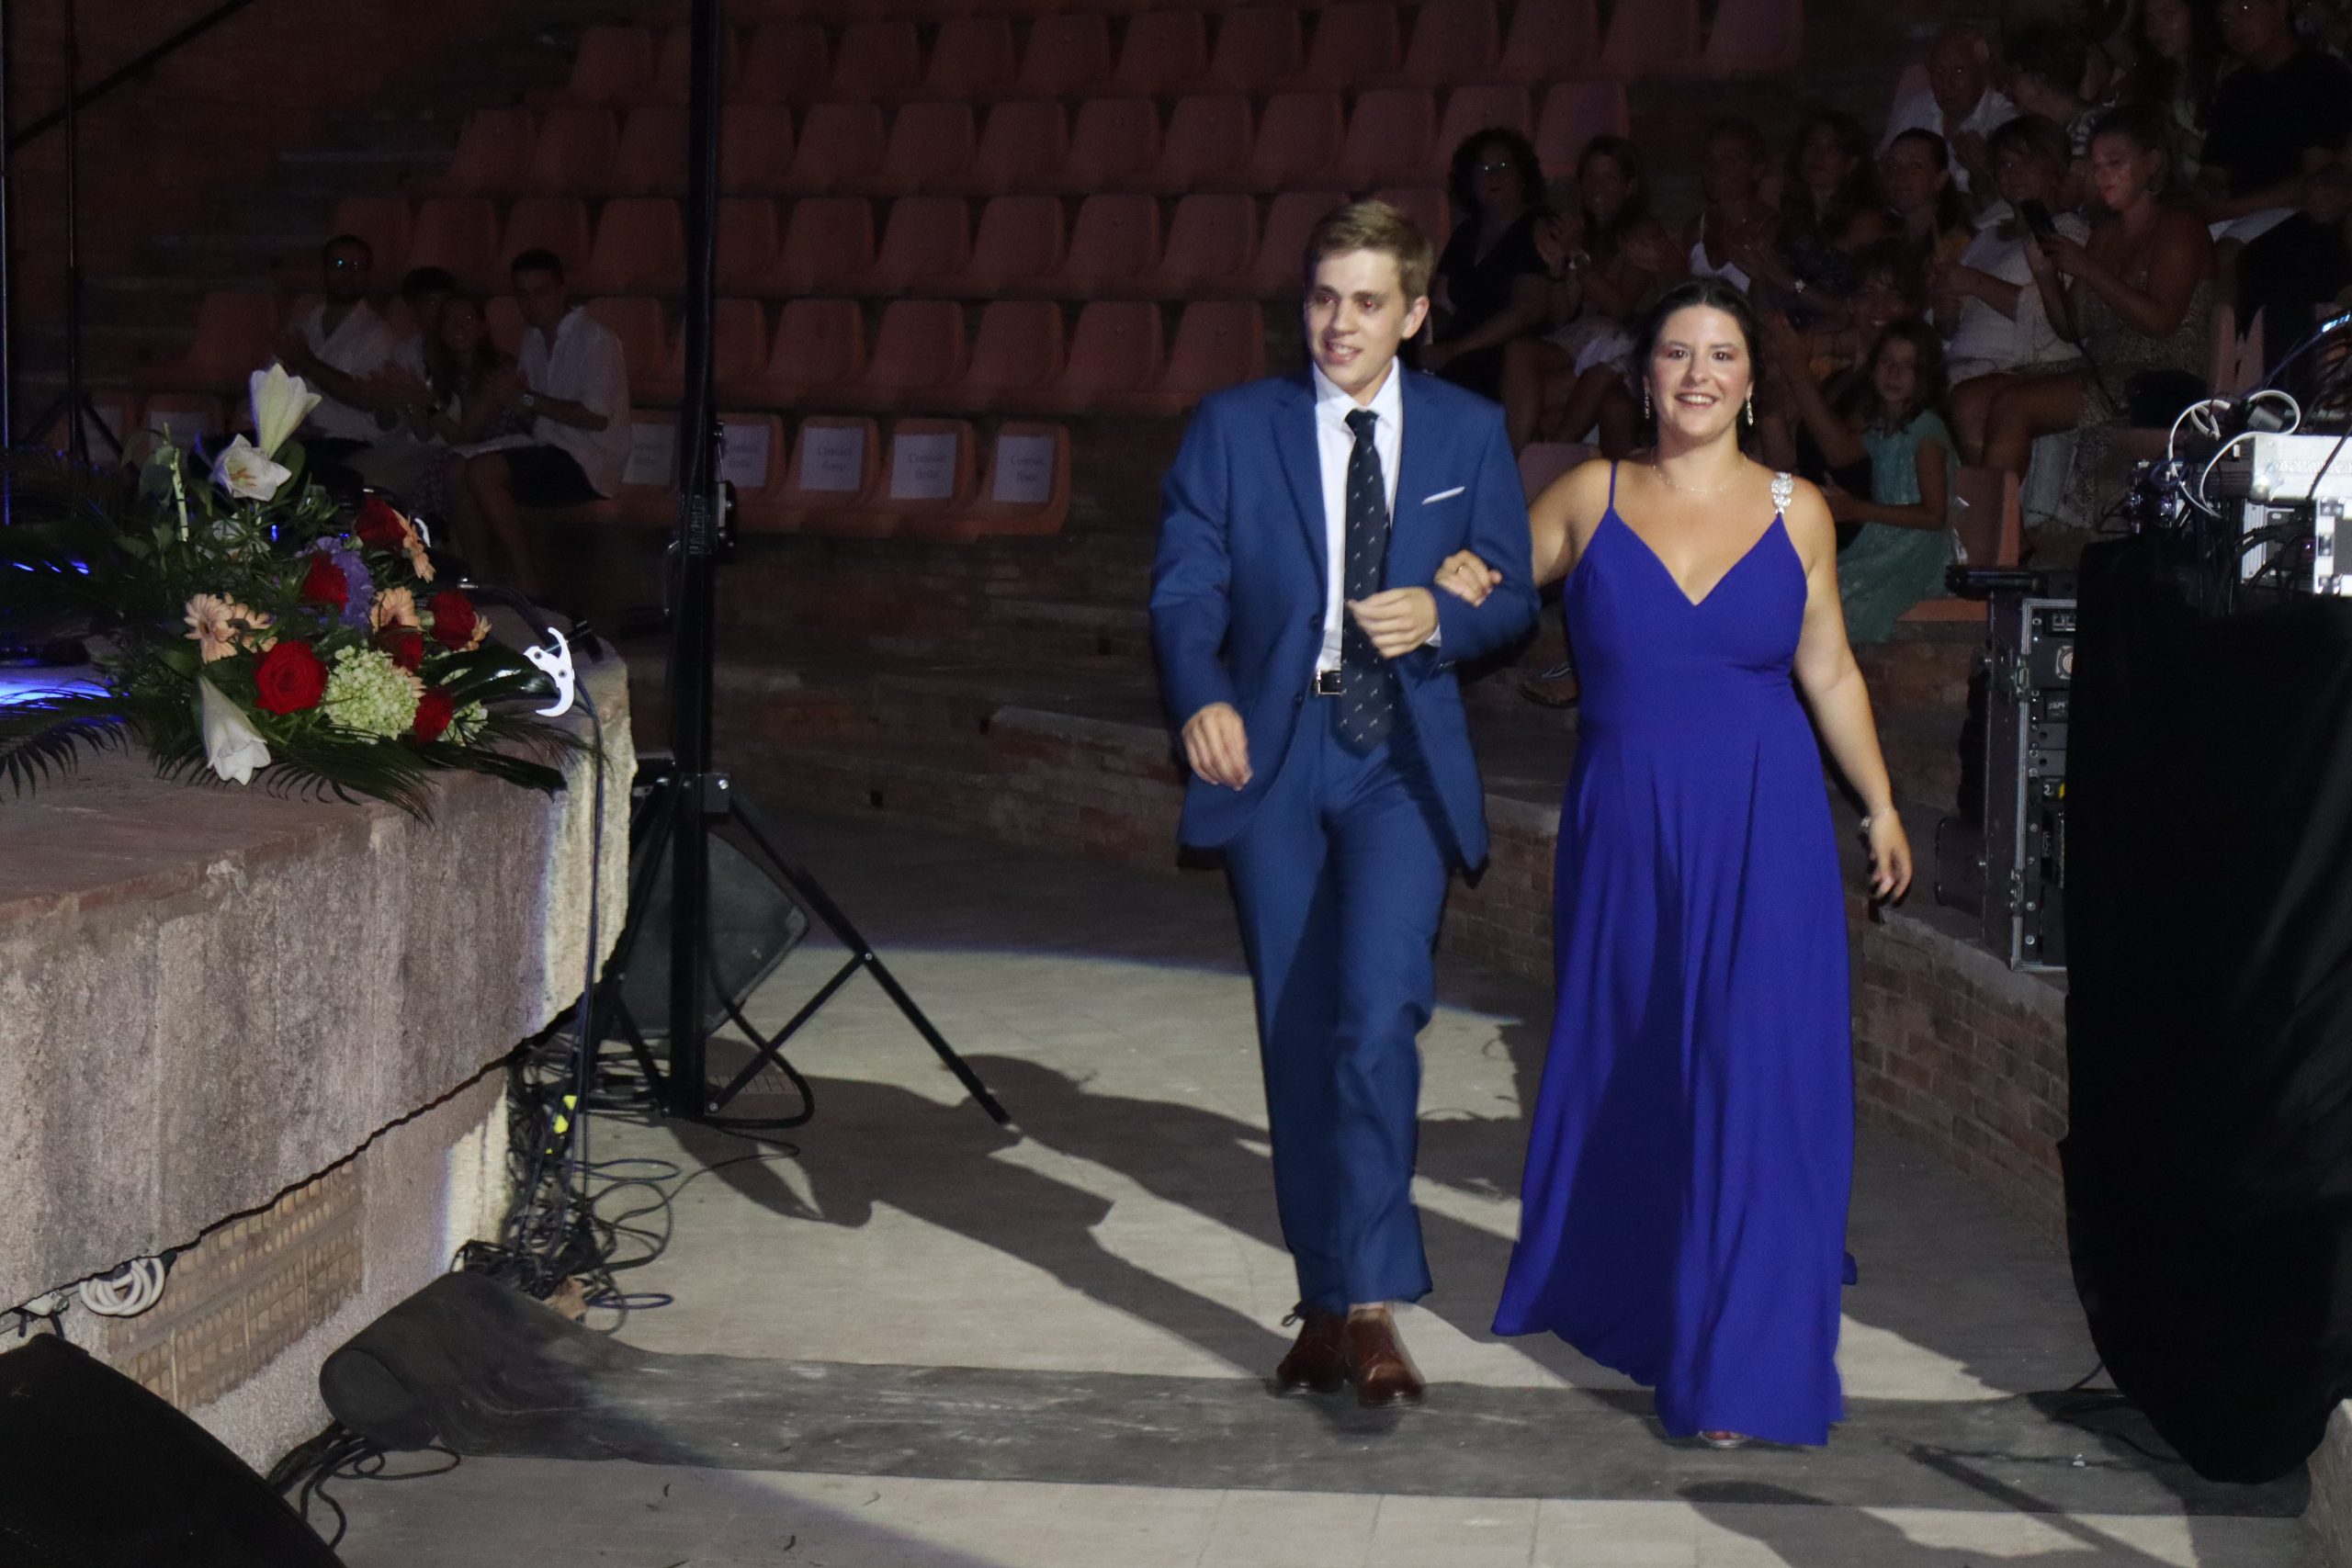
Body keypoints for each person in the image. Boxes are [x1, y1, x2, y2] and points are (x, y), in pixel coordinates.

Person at [1439, 276, 1913, 1449]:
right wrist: (1448, 582)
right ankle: (1647, 1283)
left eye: (1722, 355)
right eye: (1676, 353)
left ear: (1752, 384)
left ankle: (1739, 1362)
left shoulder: (1800, 509)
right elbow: (1486, 583)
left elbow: (1828, 669)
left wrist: (1879, 803)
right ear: (1644, 376)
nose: (1698, 374)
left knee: (1753, 1075)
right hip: (1627, 831)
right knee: (1643, 1064)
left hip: (1766, 826)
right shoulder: (1589, 494)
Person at [1148, 200, 1538, 1410]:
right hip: (1273, 752)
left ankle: (1370, 1304)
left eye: (1368, 302)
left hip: (1397, 758)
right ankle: (1323, 1299)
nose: (1340, 323)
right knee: (1298, 1029)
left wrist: (1444, 613)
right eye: (1324, 298)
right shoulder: (1234, 427)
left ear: (1413, 314)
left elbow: (1511, 590)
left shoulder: (1468, 430)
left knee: (1376, 1017)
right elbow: (1185, 588)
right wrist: (1201, 696)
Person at [1982, 106, 2214, 526]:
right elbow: (2072, 328)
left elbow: (2162, 322)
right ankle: (2009, 532)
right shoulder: (2106, 233)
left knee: (2014, 405)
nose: (2102, 174)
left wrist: (2089, 269)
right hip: (2102, 365)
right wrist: (2046, 276)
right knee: (1974, 399)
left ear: (2153, 163)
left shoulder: (2180, 227)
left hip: (2158, 372)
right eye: (2096, 165)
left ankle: (1994, 541)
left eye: (2115, 163)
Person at [452, 248, 630, 599]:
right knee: (457, 467)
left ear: (562, 290)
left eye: (540, 292)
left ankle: (528, 584)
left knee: (483, 472)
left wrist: (525, 399)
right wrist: (510, 400)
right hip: (548, 445)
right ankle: (482, 580)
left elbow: (595, 418)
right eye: (522, 294)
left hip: (587, 458)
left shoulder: (596, 340)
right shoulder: (532, 338)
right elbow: (531, 414)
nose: (531, 303)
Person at [1768, 316, 1961, 640]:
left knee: (1829, 600)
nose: (1893, 373)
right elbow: (1841, 452)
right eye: (1886, 361)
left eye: (1908, 366)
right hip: (1882, 540)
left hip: (1915, 549)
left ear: (1926, 377)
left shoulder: (1925, 431)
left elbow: (1933, 516)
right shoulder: (1882, 427)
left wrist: (1857, 509)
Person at [1501, 135, 1671, 454]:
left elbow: (1620, 308)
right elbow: (1561, 314)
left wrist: (1578, 256)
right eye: (1591, 177)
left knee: (1563, 392)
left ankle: (1540, 456)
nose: (1598, 187)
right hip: (1584, 340)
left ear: (1630, 186)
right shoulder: (1581, 231)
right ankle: (1520, 458)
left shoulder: (1641, 233)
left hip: (1627, 344)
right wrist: (1557, 267)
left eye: (1610, 178)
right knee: (1518, 352)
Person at [1940, 116, 2096, 459]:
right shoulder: (1986, 237)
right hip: (1965, 358)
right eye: (2005, 164)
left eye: (2026, 161)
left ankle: (1984, 491)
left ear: (2054, 169)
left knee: (1965, 400)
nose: (2014, 172)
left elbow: (2057, 320)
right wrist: (1947, 311)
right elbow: (1953, 323)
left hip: (2027, 364)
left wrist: (1976, 283)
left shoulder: (2068, 232)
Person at [2196, 0, 2352, 248]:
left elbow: (2318, 177)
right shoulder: (2235, 88)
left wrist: (2231, 208)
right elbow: (2214, 171)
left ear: (2280, 7)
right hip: (2235, 216)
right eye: (2223, 19)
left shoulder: (2323, 75)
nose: (2233, 24)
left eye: (2244, 9)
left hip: (2298, 216)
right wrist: (2207, 191)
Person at [1425, 130, 1553, 401]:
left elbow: (1526, 311)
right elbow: (1443, 303)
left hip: (1507, 349)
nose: (1493, 176)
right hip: (1459, 345)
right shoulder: (1466, 233)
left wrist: (1454, 349)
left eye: (1504, 166)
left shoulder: (1538, 228)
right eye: (1483, 169)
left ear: (1522, 177)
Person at [1736, 111, 1892, 327]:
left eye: (1832, 148)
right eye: (1811, 145)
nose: (1818, 154)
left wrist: (1792, 283)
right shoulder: (1782, 223)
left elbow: (1860, 308)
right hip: (1785, 338)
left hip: (1839, 339)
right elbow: (1763, 308)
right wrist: (1760, 276)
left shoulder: (1865, 223)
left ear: (1852, 163)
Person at [273, 233, 399, 479]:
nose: (347, 274)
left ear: (368, 274)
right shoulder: (305, 324)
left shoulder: (376, 332)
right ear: (325, 271)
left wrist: (307, 362)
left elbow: (364, 397)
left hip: (347, 442)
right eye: (339, 265)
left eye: (356, 266)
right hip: (298, 437)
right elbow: (273, 384)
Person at [1881, 25, 2018, 195]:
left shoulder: (2005, 122)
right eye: (1939, 70)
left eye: (1958, 71)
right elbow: (1883, 165)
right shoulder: (1915, 109)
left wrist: (1985, 168)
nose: (1947, 82)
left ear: (1982, 73)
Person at [2115, 0, 2222, 183]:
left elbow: (2230, 160)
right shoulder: (2153, 76)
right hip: (2170, 189)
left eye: (2168, 13)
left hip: (2215, 190)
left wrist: (2173, 130)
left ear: (2195, 14)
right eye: (2149, 18)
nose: (2156, 27)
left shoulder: (2226, 74)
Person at [1881, 129, 1975, 274]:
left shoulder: (1957, 245)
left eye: (1915, 166)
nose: (1900, 174)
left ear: (1940, 179)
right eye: (1893, 166)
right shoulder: (1884, 239)